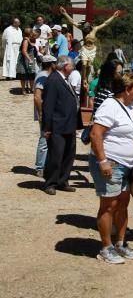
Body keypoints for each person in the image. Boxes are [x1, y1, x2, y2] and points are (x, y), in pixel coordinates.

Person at [90, 73, 133, 264]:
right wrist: (103, 161)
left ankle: (120, 243)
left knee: (123, 204)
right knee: (109, 205)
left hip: (128, 165)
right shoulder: (110, 106)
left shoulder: (130, 106)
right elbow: (95, 134)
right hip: (112, 163)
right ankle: (106, 247)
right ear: (126, 90)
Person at [41, 56, 80, 195]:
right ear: (65, 66)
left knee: (68, 155)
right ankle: (50, 183)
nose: (73, 67)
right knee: (56, 156)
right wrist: (46, 128)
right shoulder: (53, 80)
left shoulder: (64, 79)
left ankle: (63, 181)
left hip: (69, 124)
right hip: (57, 125)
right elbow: (48, 106)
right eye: (71, 65)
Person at [59, 6, 121, 87]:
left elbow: (105, 23)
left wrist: (113, 16)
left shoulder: (95, 29)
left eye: (86, 29)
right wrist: (65, 13)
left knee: (89, 65)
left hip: (92, 49)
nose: (85, 30)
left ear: (89, 27)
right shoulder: (82, 29)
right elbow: (72, 22)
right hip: (85, 48)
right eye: (84, 29)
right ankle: (84, 79)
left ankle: (86, 78)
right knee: (84, 64)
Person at [33, 54, 57, 176]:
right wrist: (42, 113)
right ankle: (40, 167)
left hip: (47, 112)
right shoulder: (43, 76)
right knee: (44, 139)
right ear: (51, 64)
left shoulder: (47, 75)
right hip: (45, 113)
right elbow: (37, 96)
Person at [16, 27, 37, 94]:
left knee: (31, 75)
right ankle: (23, 89)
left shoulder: (29, 40)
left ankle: (31, 89)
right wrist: (29, 59)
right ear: (30, 33)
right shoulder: (25, 41)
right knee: (23, 75)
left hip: (29, 59)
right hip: (25, 60)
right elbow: (24, 51)